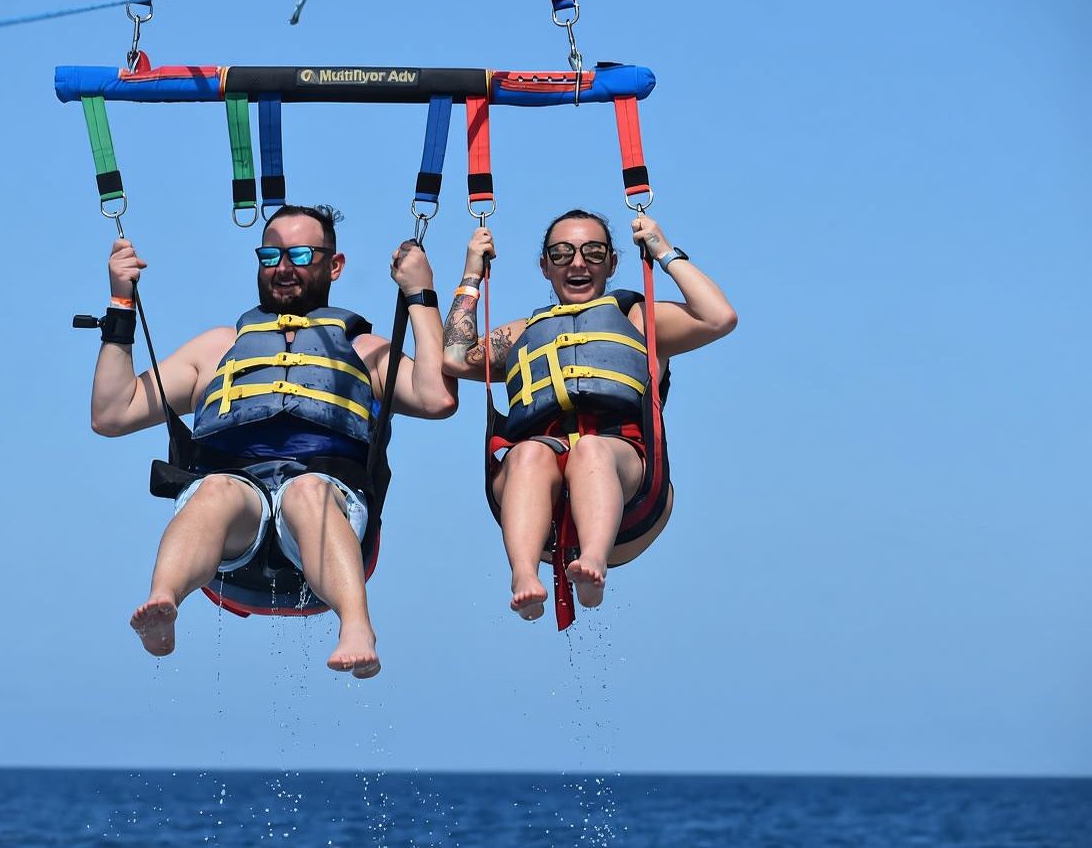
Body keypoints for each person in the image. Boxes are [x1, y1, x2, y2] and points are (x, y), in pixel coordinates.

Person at [90, 205, 457, 677]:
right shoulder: (217, 348)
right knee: (214, 490)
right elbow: (112, 413)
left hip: (327, 514)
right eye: (270, 255)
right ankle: (163, 601)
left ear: (335, 265)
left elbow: (437, 398)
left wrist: (419, 294)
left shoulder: (365, 351)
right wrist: (121, 303)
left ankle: (357, 626)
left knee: (307, 492)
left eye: (300, 254)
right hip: (233, 532)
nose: (283, 267)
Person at [442, 209, 736, 620]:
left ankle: (593, 564)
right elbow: (455, 358)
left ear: (612, 263)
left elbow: (719, 317)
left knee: (591, 452)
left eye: (593, 252)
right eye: (562, 254)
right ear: (545, 266)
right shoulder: (522, 334)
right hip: (539, 489)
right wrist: (472, 270)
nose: (578, 263)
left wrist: (662, 249)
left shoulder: (640, 320)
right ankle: (524, 575)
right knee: (526, 454)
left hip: (630, 493)